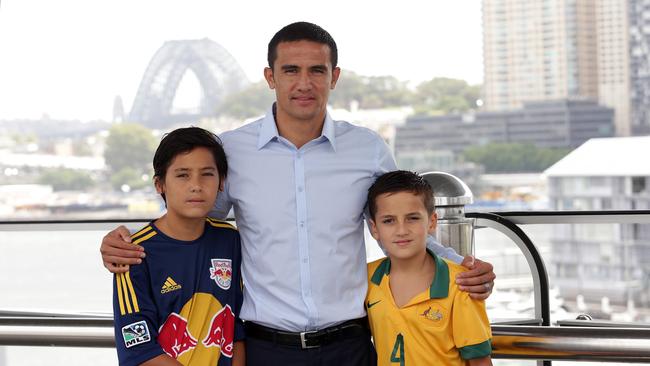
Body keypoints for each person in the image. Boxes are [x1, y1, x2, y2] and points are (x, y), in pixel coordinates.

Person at [101, 22, 496, 366]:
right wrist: (124, 243)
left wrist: (462, 266)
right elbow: (191, 215)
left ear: (334, 76)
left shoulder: (368, 149)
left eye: (316, 71)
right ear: (270, 77)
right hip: (265, 348)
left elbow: (401, 219)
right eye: (290, 70)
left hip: (351, 345)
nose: (303, 83)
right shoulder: (233, 151)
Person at [112, 127, 245, 366]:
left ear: (222, 182)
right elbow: (138, 349)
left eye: (207, 174)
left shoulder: (229, 240)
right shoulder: (134, 253)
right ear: (160, 184)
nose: (196, 185)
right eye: (182, 175)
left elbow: (237, 327)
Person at [366, 170, 492, 366]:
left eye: (413, 218)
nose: (401, 230)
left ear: (432, 221)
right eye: (389, 221)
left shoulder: (460, 284)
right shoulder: (367, 279)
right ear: (374, 229)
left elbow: (479, 361)